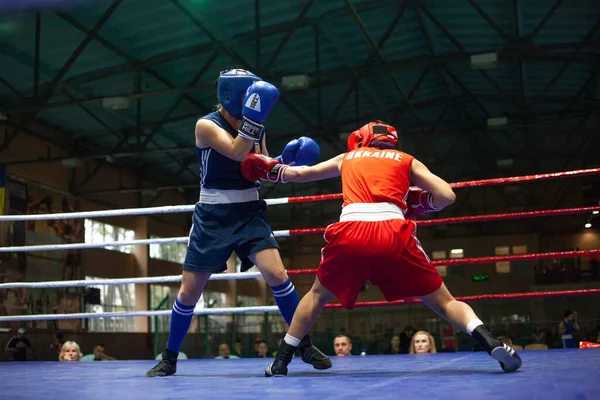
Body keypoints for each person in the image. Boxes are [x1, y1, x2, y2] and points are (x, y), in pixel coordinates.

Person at [240, 120, 522, 376]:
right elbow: (447, 195)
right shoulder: (406, 159)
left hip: (351, 231)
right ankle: (490, 341)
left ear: (362, 140)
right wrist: (424, 203)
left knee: (316, 295)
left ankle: (281, 361)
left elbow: (301, 175)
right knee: (446, 302)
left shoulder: (349, 156)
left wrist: (269, 169)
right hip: (393, 230)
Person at [146, 68, 330, 377]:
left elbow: (261, 166)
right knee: (190, 292)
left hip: (249, 212)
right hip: (213, 216)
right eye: (249, 98)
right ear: (234, 96)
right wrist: (253, 122)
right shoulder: (206, 125)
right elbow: (236, 151)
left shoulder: (257, 127)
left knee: (277, 274)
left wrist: (284, 162)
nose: (251, 104)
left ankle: (304, 344)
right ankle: (169, 357)